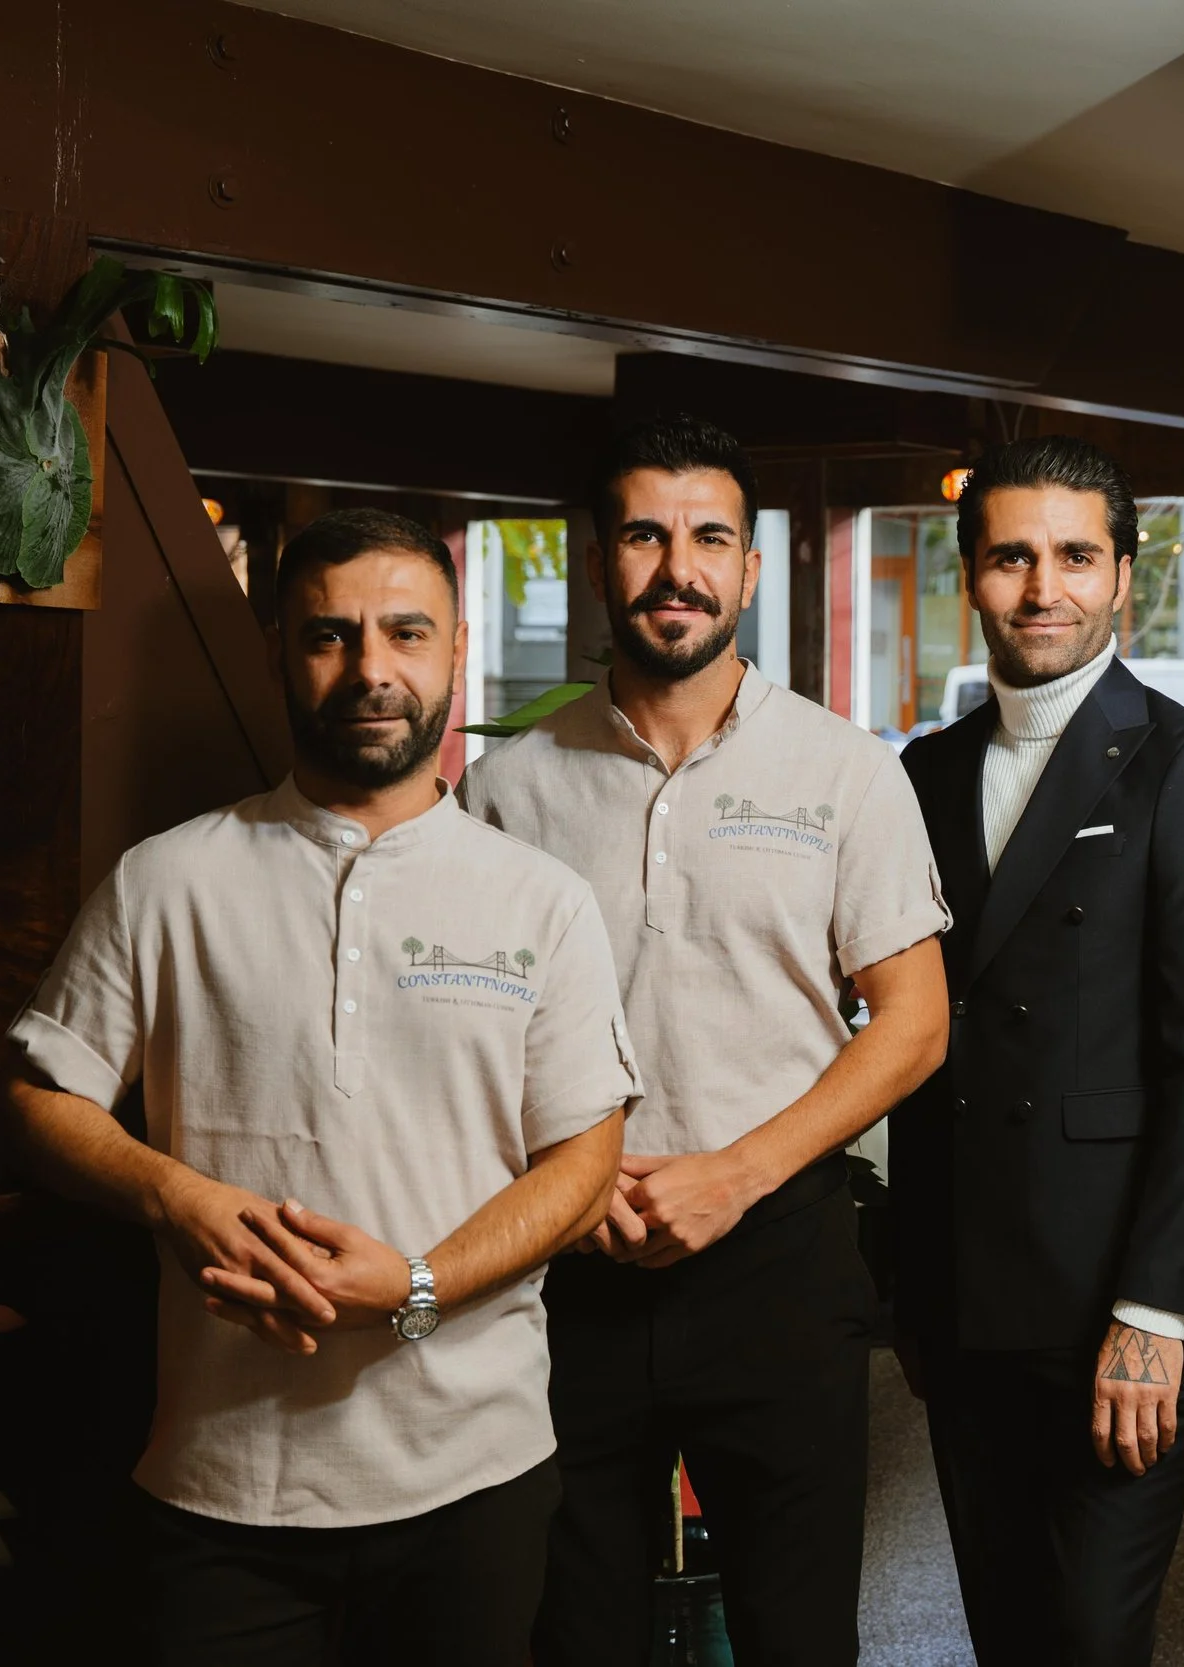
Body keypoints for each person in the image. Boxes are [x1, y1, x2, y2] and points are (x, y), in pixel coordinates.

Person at [0, 507, 637, 1667]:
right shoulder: (168, 879)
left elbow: (584, 1159)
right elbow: (41, 1098)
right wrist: (174, 1196)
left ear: (454, 649)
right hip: (220, 1478)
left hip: (473, 1470)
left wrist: (417, 1284)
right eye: (329, 636)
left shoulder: (541, 900)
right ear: (280, 653)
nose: (371, 670)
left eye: (405, 632)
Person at [459, 414, 951, 1667]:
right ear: (598, 557)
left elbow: (915, 1020)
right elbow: (470, 1024)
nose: (676, 566)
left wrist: (733, 1173)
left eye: (708, 538)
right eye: (643, 533)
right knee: (575, 1632)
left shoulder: (844, 771)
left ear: (745, 569)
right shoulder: (510, 783)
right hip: (568, 1266)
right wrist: (570, 1186)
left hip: (777, 1259)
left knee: (797, 1634)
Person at [890, 435, 1184, 1667]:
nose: (1040, 586)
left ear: (1123, 575)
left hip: (1113, 1294)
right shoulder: (926, 770)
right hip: (961, 1289)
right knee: (1004, 1632)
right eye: (1010, 556)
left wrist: (1157, 1306)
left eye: (1073, 556)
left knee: (1093, 1637)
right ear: (972, 575)